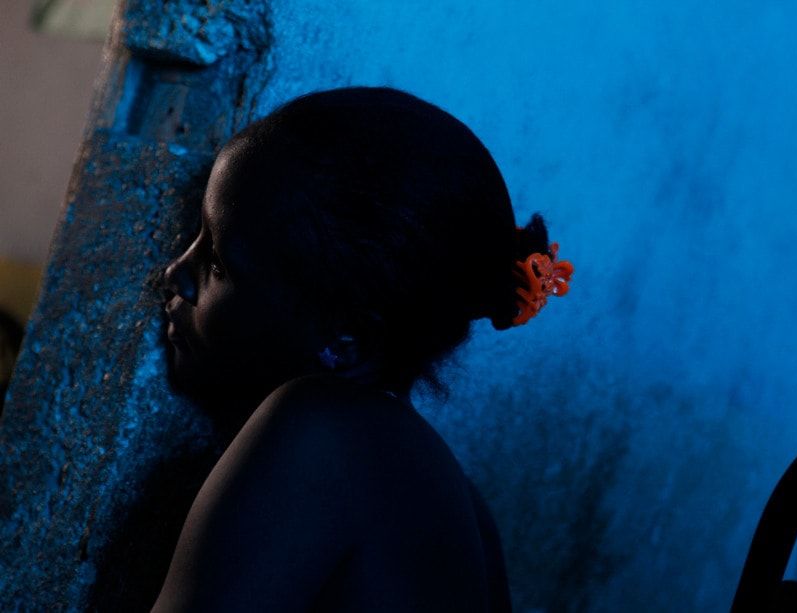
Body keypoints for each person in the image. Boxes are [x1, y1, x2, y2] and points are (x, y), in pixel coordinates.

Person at [156, 87, 573, 612]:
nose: (175, 273)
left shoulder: (324, 433)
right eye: (197, 234)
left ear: (348, 342)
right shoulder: (459, 502)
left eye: (217, 264)